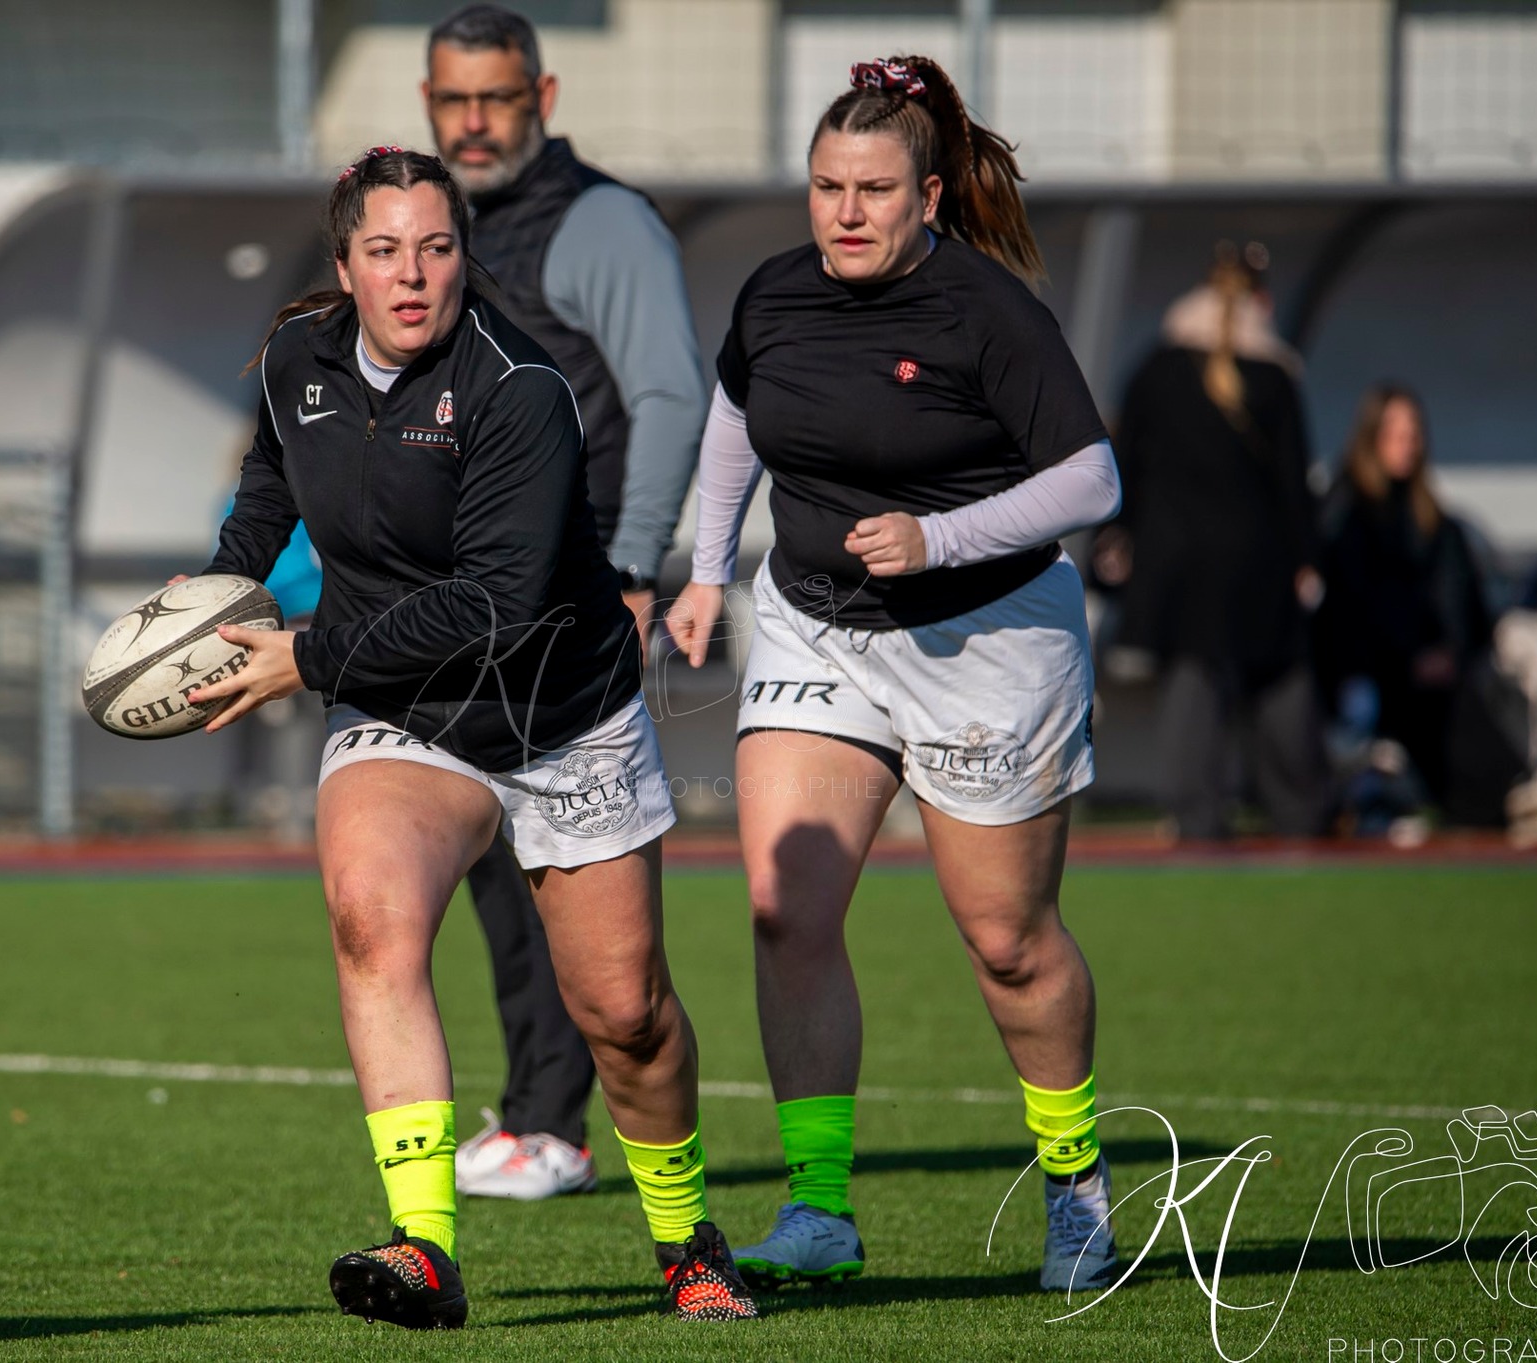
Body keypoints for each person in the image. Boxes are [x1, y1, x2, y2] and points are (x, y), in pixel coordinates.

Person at [187, 148, 756, 1326]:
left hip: (558, 709)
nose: (412, 276)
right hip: (407, 712)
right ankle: (425, 1251)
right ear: (342, 264)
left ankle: (688, 1241)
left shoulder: (519, 390)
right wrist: (208, 602)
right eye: (384, 251)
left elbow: (491, 607)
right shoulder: (296, 361)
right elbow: (265, 489)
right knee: (369, 917)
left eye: (436, 249)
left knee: (624, 1013)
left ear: (465, 258)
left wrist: (307, 656)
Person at [665, 56, 1123, 1294]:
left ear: (927, 194)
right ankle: (818, 1206)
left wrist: (940, 537)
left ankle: (1076, 1189)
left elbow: (1092, 480)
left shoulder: (989, 312)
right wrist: (706, 570)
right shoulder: (774, 295)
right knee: (782, 906)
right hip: (817, 627)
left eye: (872, 189)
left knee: (1006, 941)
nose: (844, 213)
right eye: (824, 187)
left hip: (987, 641)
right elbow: (729, 420)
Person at [414, 3, 708, 1200]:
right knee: (488, 860)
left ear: (541, 100)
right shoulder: (431, 228)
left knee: (562, 867)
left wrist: (634, 566)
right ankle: (540, 1108)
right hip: (463, 598)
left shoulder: (600, 223)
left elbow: (668, 398)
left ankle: (556, 1123)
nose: (472, 123)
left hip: (570, 595)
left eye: (494, 99)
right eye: (451, 102)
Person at [1096, 242, 1330, 840]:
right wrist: (1308, 560)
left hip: (1178, 562)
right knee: (1281, 682)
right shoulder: (1275, 373)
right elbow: (1293, 481)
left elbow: (1125, 464)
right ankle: (1299, 813)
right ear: (1262, 299)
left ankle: (1196, 818)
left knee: (1192, 688)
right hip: (1260, 560)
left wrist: (1114, 538)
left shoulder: (1158, 366)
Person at [1313, 384, 1492, 809]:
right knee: (1366, 705)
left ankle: (1494, 796)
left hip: (1426, 668)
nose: (1407, 445)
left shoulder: (1431, 517)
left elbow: (1459, 597)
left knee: (1465, 707)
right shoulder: (1347, 511)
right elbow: (1349, 609)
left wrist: (1450, 649)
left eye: (1413, 434)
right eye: (1395, 433)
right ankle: (1371, 797)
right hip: (1366, 670)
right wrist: (1407, 657)